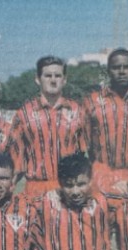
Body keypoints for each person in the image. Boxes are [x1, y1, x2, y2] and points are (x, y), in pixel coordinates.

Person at [13, 56, 88, 197]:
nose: (53, 80)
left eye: (57, 76)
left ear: (64, 80)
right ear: (38, 79)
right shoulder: (24, 114)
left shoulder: (78, 112)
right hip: (36, 189)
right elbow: (17, 162)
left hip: (68, 188)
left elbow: (83, 154)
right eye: (48, 76)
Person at [83, 48, 128, 172]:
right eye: (116, 67)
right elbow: (85, 144)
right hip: (101, 175)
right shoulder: (91, 102)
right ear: (108, 71)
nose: (122, 72)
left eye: (126, 67)